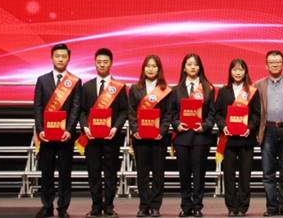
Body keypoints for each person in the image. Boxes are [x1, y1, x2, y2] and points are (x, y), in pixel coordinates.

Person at [78, 48, 129, 218]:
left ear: (111, 63)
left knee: (110, 173)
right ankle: (95, 206)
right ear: (95, 63)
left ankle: (109, 207)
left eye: (105, 62)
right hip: (91, 138)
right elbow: (82, 111)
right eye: (99, 62)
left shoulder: (119, 87)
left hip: (111, 137)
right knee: (93, 173)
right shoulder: (86, 87)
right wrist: (85, 127)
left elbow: (124, 111)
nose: (102, 64)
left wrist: (116, 128)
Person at [33, 43, 82, 218]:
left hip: (65, 136)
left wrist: (69, 129)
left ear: (69, 58)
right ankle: (47, 205)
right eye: (57, 56)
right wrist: (40, 130)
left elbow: (76, 107)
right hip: (46, 135)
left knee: (65, 173)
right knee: (46, 172)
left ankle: (63, 207)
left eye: (64, 56)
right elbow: (38, 107)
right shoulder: (42, 80)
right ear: (52, 58)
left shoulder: (75, 81)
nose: (60, 59)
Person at [170, 54, 217, 217]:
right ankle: (185, 206)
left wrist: (205, 126)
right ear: (184, 68)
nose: (192, 67)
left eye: (196, 64)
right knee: (184, 174)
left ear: (200, 68)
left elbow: (212, 113)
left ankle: (197, 206)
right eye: (189, 64)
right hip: (182, 137)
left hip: (200, 137)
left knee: (199, 174)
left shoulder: (208, 88)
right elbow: (172, 113)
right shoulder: (176, 89)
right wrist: (176, 124)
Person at [255, 50, 283, 217]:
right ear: (266, 65)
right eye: (271, 62)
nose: (275, 64)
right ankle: (272, 208)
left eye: (278, 62)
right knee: (268, 173)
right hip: (267, 130)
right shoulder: (258, 85)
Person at [215, 59, 261, 216]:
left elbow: (256, 114)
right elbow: (218, 113)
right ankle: (231, 207)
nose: (238, 72)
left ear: (245, 72)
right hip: (228, 140)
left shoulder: (252, 91)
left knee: (245, 175)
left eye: (241, 69)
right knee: (228, 175)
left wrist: (250, 128)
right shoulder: (223, 91)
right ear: (230, 72)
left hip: (246, 139)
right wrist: (223, 126)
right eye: (234, 69)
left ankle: (242, 207)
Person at [128, 55, 173, 217]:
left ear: (159, 69)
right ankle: (144, 205)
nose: (151, 69)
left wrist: (162, 131)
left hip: (158, 139)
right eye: (148, 66)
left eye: (154, 66)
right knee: (142, 174)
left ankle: (155, 206)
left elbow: (168, 114)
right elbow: (131, 112)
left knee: (158, 174)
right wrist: (135, 130)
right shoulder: (135, 89)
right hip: (140, 138)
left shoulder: (165, 90)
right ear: (143, 68)